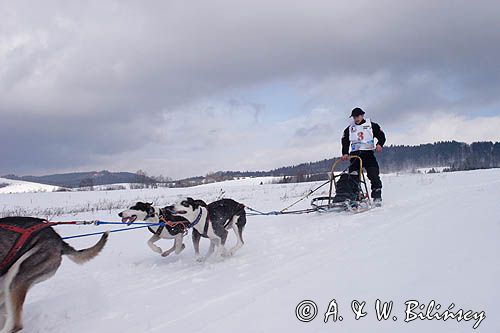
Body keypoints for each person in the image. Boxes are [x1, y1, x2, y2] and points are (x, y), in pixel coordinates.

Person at [341, 107, 386, 202]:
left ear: (362, 115)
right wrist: (345, 153)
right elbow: (345, 141)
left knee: (373, 174)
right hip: (355, 155)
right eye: (354, 117)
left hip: (368, 154)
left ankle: (377, 196)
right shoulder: (349, 129)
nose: (356, 119)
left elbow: (382, 136)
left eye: (357, 116)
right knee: (352, 176)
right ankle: (356, 196)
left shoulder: (371, 125)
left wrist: (379, 144)